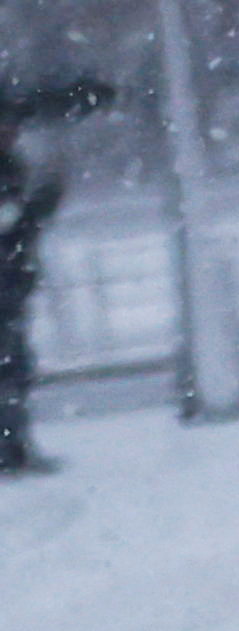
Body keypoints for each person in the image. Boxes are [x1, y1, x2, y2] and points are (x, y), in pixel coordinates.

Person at [0, 76, 104, 479]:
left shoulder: (12, 167)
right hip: (7, 284)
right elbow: (13, 225)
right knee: (10, 368)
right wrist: (37, 207)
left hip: (11, 284)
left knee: (15, 366)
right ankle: (10, 449)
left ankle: (14, 446)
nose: (10, 134)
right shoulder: (8, 170)